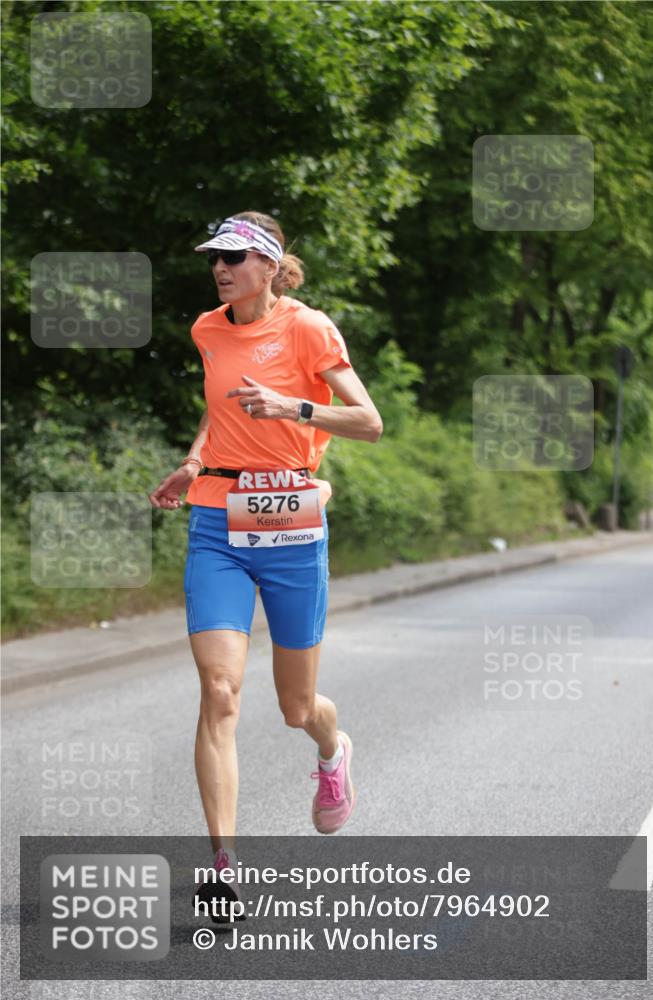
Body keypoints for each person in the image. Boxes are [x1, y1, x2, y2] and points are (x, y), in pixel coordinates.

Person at [148, 211, 382, 909]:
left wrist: (293, 408)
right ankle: (223, 868)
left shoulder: (308, 328)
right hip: (217, 522)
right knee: (220, 691)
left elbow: (368, 422)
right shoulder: (207, 328)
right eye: (214, 258)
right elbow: (217, 411)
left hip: (291, 526)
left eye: (234, 257)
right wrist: (194, 462)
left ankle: (332, 750)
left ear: (270, 266)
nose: (220, 268)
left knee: (296, 707)